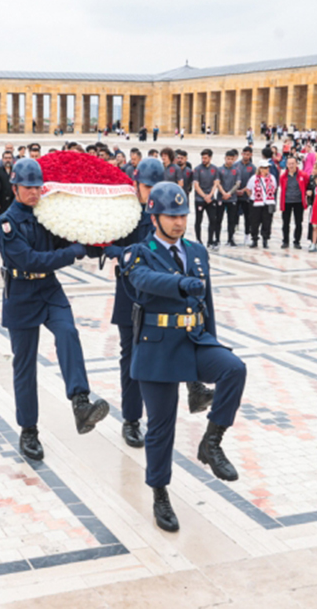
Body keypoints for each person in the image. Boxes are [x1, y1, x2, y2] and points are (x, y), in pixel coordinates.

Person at [121, 181, 245, 532]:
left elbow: (208, 304)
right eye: (172, 215)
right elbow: (144, 281)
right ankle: (160, 492)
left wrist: (213, 341)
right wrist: (179, 285)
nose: (179, 222)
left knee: (234, 369)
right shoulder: (138, 252)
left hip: (194, 339)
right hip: (157, 346)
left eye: (183, 214)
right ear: (154, 216)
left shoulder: (196, 250)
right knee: (161, 427)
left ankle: (212, 443)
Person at [0, 158, 109, 462]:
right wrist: (72, 253)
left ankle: (80, 401)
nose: (34, 192)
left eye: (37, 187)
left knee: (68, 331)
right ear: (15, 187)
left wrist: (99, 241)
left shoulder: (48, 214)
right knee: (25, 365)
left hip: (48, 289)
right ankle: (28, 429)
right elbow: (30, 260)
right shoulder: (6, 223)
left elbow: (70, 236)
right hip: (20, 294)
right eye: (28, 187)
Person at [104, 158, 210, 448]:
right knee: (131, 359)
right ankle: (131, 419)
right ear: (136, 184)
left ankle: (192, 387)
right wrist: (129, 254)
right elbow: (105, 243)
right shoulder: (124, 212)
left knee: (181, 339)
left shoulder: (166, 209)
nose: (151, 192)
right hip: (133, 295)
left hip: (168, 295)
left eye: (155, 185)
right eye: (146, 186)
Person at [192, 149, 222, 248]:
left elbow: (216, 183)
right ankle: (198, 239)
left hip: (211, 199)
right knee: (198, 220)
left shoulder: (215, 169)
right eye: (202, 158)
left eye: (205, 158)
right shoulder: (197, 169)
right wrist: (204, 196)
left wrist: (210, 195)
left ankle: (210, 240)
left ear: (210, 158)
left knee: (213, 220)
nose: (203, 160)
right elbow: (196, 185)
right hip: (200, 199)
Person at [278, 154, 308, 249]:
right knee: (285, 223)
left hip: (298, 202)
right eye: (289, 164)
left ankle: (297, 241)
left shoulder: (303, 175)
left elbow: (308, 185)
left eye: (293, 163)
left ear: (296, 164)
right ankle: (285, 241)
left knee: (298, 222)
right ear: (286, 165)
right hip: (287, 202)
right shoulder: (283, 177)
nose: (291, 166)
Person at [245, 160, 277, 248]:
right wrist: (253, 197)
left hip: (267, 203)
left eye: (268, 168)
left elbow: (274, 188)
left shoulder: (272, 178)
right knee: (254, 222)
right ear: (261, 169)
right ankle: (254, 239)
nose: (267, 169)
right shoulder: (254, 178)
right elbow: (248, 189)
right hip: (256, 203)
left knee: (267, 222)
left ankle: (265, 239)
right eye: (265, 168)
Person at [0, 150, 15, 215]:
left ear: (12, 159)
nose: (8, 160)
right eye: (6, 158)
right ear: (3, 159)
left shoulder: (15, 170)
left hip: (13, 201)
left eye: (9, 158)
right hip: (1, 201)